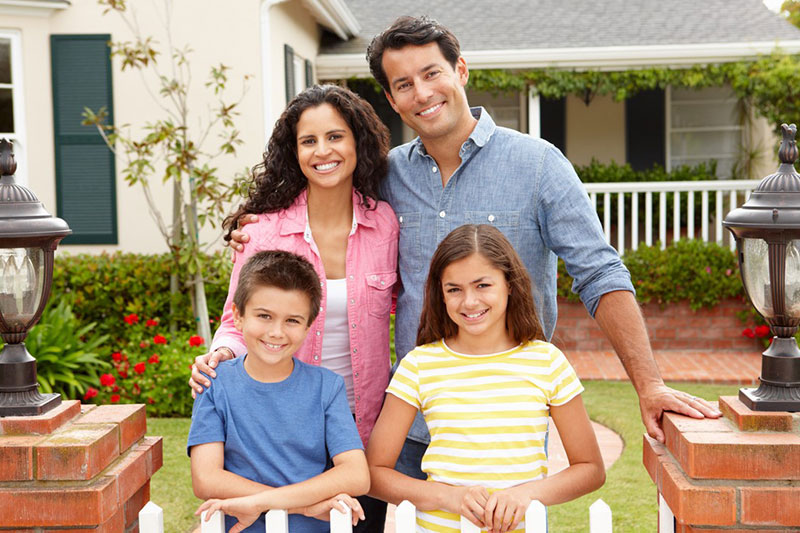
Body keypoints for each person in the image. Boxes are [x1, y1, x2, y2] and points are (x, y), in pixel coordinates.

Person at [226, 16, 719, 480]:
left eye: (431, 73)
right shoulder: (386, 177)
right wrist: (259, 227)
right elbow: (323, 194)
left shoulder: (538, 165)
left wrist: (649, 384)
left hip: (503, 425)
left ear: (460, 70)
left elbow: (600, 274)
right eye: (403, 84)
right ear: (391, 99)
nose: (421, 93)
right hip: (408, 424)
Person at [189, 84, 397, 529]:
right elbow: (235, 318)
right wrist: (221, 355)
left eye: (336, 136)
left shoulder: (384, 224)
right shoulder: (261, 232)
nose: (323, 151)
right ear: (295, 150)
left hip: (362, 430)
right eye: (309, 140)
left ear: (357, 141)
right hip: (284, 428)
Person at [367, 224, 605, 533]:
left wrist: (526, 494)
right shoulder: (419, 365)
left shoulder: (547, 362)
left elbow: (591, 469)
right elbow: (374, 473)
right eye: (454, 289)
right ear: (440, 293)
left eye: (483, 286)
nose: (469, 302)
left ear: (509, 284)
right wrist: (447, 496)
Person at [188, 251, 369, 533]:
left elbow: (356, 474)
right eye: (264, 316)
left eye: (292, 320)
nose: (276, 332)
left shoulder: (327, 387)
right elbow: (206, 479)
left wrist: (261, 502)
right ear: (238, 316)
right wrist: (304, 506)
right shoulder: (214, 383)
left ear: (309, 325)